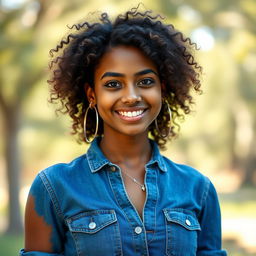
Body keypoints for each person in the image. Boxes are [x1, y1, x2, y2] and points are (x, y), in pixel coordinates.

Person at [20, 6, 227, 256]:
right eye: (113, 84)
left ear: (162, 88)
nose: (131, 96)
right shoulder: (53, 187)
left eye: (145, 82)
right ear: (92, 95)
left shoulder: (198, 188)